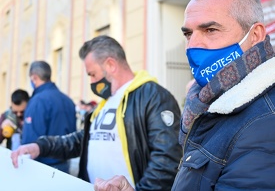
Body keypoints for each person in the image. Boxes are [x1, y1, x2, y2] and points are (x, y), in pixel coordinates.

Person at [93, 0, 275, 191]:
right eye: (188, 34)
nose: (193, 46)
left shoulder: (273, 125)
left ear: (255, 35)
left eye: (210, 30)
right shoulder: (212, 101)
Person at [11, 35, 182, 190]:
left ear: (110, 65)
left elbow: (166, 161)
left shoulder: (154, 97)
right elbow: (80, 141)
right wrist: (40, 146)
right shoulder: (104, 104)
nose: (92, 82)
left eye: (92, 74)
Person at [21, 60, 77, 173]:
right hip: (64, 165)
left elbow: (30, 140)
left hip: (43, 168)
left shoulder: (37, 101)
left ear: (34, 77)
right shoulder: (67, 100)